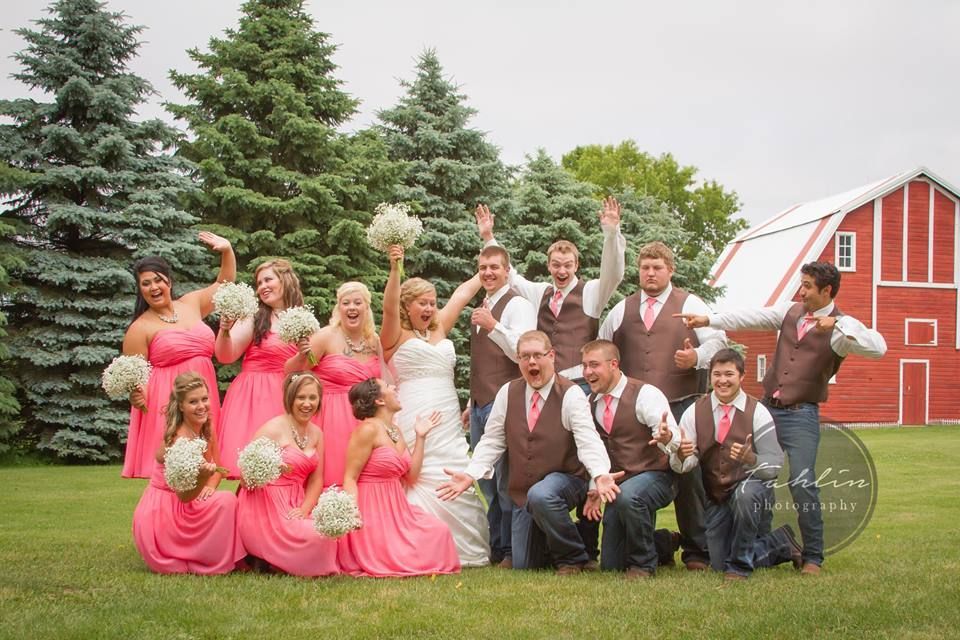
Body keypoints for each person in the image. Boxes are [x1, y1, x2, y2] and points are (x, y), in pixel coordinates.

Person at [676, 261, 887, 575]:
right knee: (754, 472)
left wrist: (840, 326)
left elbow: (879, 347)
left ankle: (813, 556)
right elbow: (753, 316)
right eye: (801, 284)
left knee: (802, 482)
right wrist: (709, 318)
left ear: (826, 290)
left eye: (807, 286)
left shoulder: (841, 330)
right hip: (767, 409)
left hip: (802, 414)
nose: (801, 291)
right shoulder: (790, 313)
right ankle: (767, 542)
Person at [439, 331, 623, 575]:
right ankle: (562, 540)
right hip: (524, 492)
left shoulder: (571, 393)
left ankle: (574, 557)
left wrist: (600, 474)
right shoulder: (508, 392)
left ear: (552, 356)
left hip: (566, 480)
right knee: (525, 563)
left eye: (538, 355)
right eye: (525, 357)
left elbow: (588, 439)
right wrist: (470, 473)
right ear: (518, 360)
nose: (532, 362)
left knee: (543, 494)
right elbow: (493, 439)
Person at [598, 240, 726, 570]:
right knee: (639, 472)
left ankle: (698, 550)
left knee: (689, 476)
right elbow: (602, 351)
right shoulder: (622, 310)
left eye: (657, 268)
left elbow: (719, 342)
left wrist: (696, 357)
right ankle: (658, 542)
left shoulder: (691, 303)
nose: (650, 273)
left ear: (671, 270)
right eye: (645, 268)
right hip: (635, 410)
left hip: (682, 405)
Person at [379, 245, 490, 567]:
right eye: (422, 303)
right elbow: (387, 308)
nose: (429, 308)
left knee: (454, 463)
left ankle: (463, 548)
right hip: (415, 410)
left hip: (447, 414)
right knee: (420, 471)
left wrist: (484, 267)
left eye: (432, 303)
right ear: (407, 306)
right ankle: (419, 544)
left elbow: (462, 294)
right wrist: (395, 268)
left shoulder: (439, 326)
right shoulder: (394, 335)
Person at [671, 349, 801, 580]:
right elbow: (685, 465)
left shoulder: (758, 412)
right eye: (717, 374)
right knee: (718, 563)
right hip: (717, 497)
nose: (722, 380)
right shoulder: (694, 412)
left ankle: (739, 568)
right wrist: (681, 454)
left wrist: (751, 459)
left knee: (745, 494)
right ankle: (780, 543)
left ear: (742, 376)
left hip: (751, 491)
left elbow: (773, 468)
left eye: (729, 374)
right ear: (710, 377)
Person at [474, 198, 625, 390]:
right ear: (548, 266)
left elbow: (613, 274)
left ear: (576, 266)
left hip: (579, 383)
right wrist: (488, 237)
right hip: (545, 382)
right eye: (556, 265)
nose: (561, 271)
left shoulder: (591, 292)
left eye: (567, 265)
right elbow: (510, 275)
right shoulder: (541, 292)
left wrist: (611, 233)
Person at [121, 232, 236, 479]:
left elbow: (225, 284)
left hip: (204, 395)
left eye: (157, 280)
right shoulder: (139, 329)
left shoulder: (192, 303)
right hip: (167, 403)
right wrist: (135, 393)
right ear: (140, 290)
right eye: (146, 283)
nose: (153, 287)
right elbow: (134, 379)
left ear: (169, 282)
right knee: (176, 472)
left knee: (205, 469)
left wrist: (227, 251)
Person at [338, 378, 460, 577]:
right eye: (388, 386)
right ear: (379, 401)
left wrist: (421, 436)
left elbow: (411, 476)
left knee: (438, 531)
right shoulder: (367, 430)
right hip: (371, 508)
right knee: (399, 551)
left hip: (396, 507)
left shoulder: (395, 430)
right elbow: (350, 477)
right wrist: (352, 512)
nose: (394, 388)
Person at [579, 340, 680, 578]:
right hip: (620, 485)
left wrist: (666, 437)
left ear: (613, 364)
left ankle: (643, 565)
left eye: (594, 365)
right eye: (584, 366)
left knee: (630, 496)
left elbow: (672, 437)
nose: (587, 372)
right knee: (611, 565)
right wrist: (594, 488)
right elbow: (594, 450)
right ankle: (664, 543)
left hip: (659, 476)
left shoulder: (645, 394)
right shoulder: (590, 402)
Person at [466, 242, 537, 567]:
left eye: (494, 267)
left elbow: (521, 352)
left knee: (506, 479)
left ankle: (511, 550)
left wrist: (494, 326)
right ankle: (496, 545)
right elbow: (482, 361)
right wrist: (471, 401)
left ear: (507, 271)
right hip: (481, 403)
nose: (488, 272)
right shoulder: (484, 304)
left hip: (504, 402)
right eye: (483, 268)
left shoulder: (516, 305)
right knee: (485, 479)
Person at [132, 372, 245, 574]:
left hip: (188, 501)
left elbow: (219, 467)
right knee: (226, 501)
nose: (201, 406)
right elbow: (184, 496)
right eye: (193, 402)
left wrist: (210, 486)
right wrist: (203, 478)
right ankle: (202, 556)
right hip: (166, 512)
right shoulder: (176, 440)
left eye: (204, 399)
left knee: (227, 500)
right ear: (181, 406)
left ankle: (230, 554)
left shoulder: (206, 428)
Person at [236, 371, 338, 576]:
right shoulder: (272, 429)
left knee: (326, 532)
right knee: (313, 537)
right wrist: (267, 469)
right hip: (265, 505)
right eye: (301, 397)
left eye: (312, 397)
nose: (307, 403)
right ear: (290, 398)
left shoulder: (317, 434)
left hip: (297, 502)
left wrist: (305, 509)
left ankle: (289, 559)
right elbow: (245, 479)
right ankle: (266, 555)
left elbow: (316, 479)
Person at [285, 281, 382, 488]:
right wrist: (301, 355)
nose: (352, 307)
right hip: (332, 416)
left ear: (366, 307)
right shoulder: (325, 336)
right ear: (339, 309)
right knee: (335, 470)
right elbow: (292, 372)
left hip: (367, 417)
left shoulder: (374, 340)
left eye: (358, 302)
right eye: (346, 303)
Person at [216, 259, 305, 478]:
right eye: (259, 283)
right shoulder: (254, 317)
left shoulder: (301, 316)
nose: (262, 286)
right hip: (255, 395)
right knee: (255, 464)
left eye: (268, 280)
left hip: (290, 394)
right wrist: (225, 331)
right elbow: (226, 355)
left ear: (285, 279)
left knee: (289, 467)